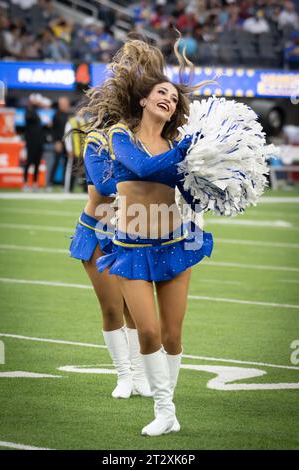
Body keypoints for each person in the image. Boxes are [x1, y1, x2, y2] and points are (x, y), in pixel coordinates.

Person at [85, 37, 214, 436]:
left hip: (176, 241)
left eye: (174, 98)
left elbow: (188, 190)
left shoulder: (176, 142)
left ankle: (169, 410)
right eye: (162, 93)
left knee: (173, 335)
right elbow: (142, 167)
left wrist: (214, 174)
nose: (169, 100)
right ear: (143, 100)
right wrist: (187, 153)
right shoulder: (122, 135)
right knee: (148, 331)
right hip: (129, 247)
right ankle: (163, 409)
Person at [68, 38, 169, 399]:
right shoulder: (98, 139)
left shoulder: (142, 139)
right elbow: (103, 183)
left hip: (131, 231)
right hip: (97, 230)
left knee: (136, 311)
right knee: (112, 307)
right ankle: (123, 375)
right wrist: (149, 171)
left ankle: (142, 376)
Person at [23, 93, 44, 191]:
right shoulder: (28, 111)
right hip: (31, 142)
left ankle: (35, 183)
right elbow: (28, 118)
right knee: (29, 162)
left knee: (37, 163)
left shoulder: (37, 112)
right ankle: (25, 183)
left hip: (39, 142)